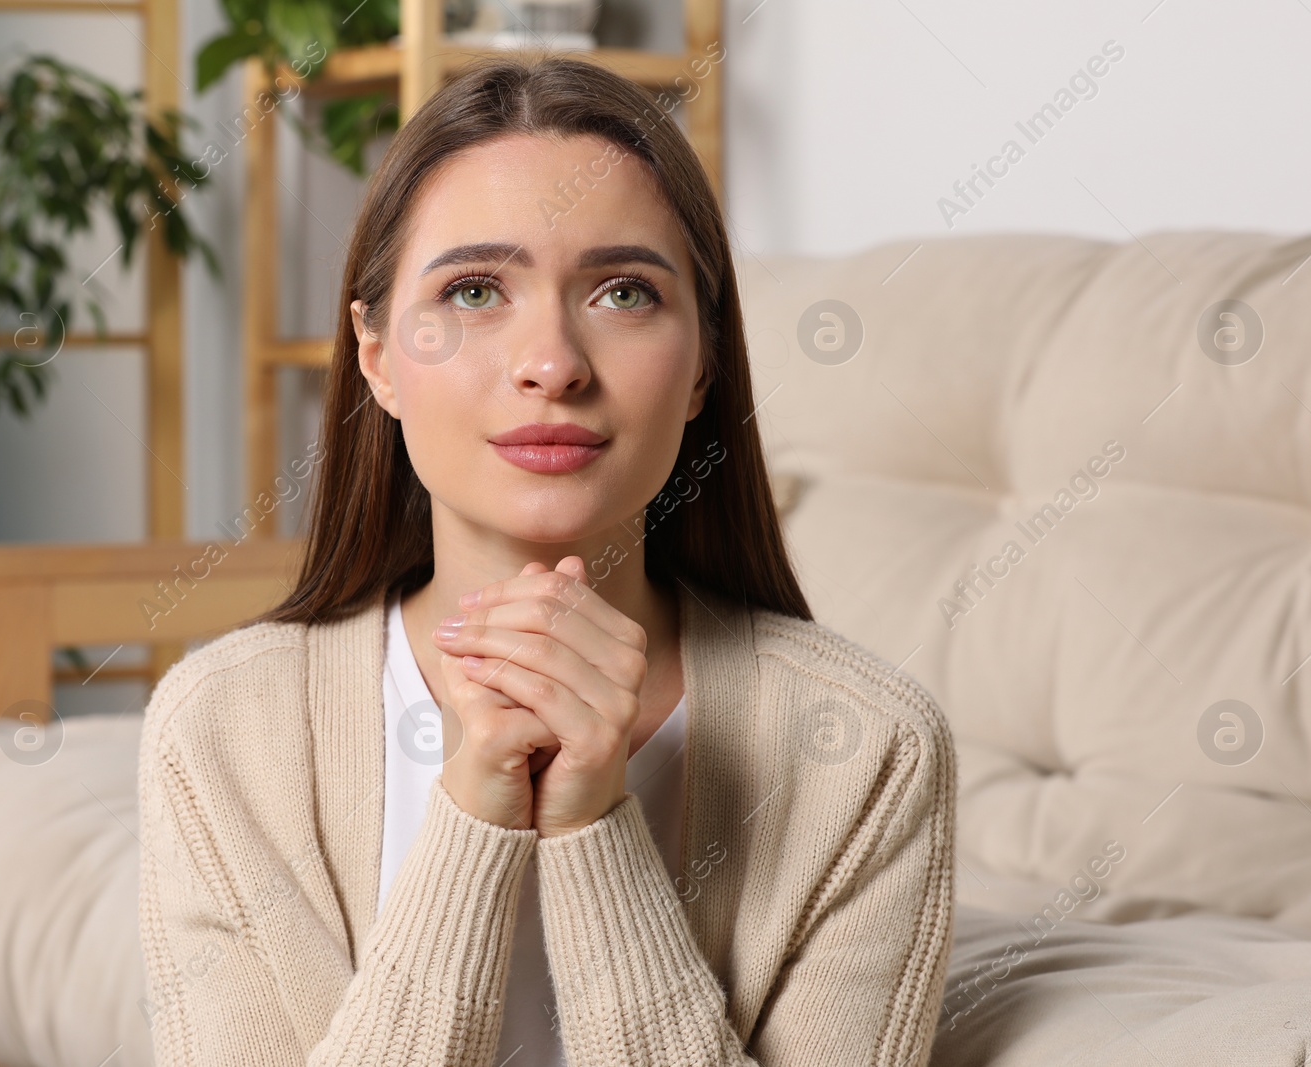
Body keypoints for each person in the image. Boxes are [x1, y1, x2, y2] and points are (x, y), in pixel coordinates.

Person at [136, 52, 956, 1066]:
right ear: (379, 355)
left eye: (623, 292)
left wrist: (591, 824)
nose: (554, 362)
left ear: (703, 359)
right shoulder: (225, 728)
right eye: (476, 290)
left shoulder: (868, 749)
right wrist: (476, 814)